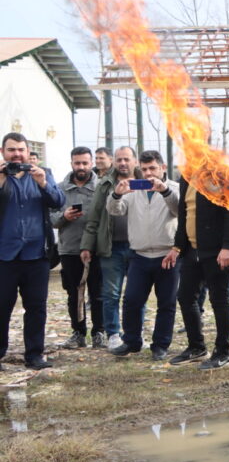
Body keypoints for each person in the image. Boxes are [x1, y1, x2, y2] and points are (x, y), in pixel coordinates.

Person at [0, 132, 65, 371]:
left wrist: (43, 183)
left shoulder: (43, 174)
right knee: (2, 307)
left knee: (36, 307)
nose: (16, 154)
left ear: (28, 152)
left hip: (36, 255)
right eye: (11, 150)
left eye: (20, 149)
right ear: (3, 152)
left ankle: (35, 355)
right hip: (4, 256)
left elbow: (59, 201)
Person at [106, 150, 180, 360]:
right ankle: (132, 341)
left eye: (152, 168)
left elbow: (178, 210)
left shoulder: (174, 187)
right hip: (139, 254)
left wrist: (164, 190)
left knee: (166, 303)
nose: (148, 173)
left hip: (167, 254)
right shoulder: (134, 188)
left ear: (163, 168)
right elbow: (115, 210)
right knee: (131, 300)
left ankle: (160, 345)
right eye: (144, 169)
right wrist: (118, 193)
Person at [163, 175, 229, 370]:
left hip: (216, 250)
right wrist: (177, 247)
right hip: (192, 250)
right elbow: (184, 214)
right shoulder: (187, 177)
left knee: (219, 300)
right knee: (185, 297)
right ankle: (196, 347)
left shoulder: (221, 174)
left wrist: (228, 246)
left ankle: (224, 352)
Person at [80, 146, 141, 350]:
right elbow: (94, 216)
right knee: (111, 293)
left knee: (135, 294)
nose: (123, 163)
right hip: (111, 247)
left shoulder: (146, 182)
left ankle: (135, 332)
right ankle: (113, 333)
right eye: (119, 159)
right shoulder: (105, 184)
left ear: (135, 161)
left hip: (139, 247)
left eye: (126, 159)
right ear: (114, 162)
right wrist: (87, 245)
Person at [53, 147, 104, 349]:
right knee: (74, 294)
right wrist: (63, 217)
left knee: (98, 293)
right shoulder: (59, 189)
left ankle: (99, 332)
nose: (81, 167)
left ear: (92, 163)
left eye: (85, 163)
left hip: (97, 250)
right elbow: (51, 219)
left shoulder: (102, 187)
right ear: (71, 163)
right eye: (77, 163)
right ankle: (78, 332)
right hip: (70, 249)